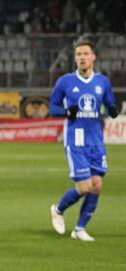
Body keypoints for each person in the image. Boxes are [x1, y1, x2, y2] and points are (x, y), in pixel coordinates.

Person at [49, 40, 118, 242]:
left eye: (85, 54)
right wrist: (65, 112)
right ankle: (58, 208)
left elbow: (110, 103)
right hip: (75, 139)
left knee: (97, 185)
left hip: (96, 139)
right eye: (78, 54)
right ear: (75, 58)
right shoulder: (65, 81)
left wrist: (113, 110)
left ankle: (80, 229)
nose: (82, 57)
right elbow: (52, 107)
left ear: (93, 57)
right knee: (85, 187)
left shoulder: (102, 82)